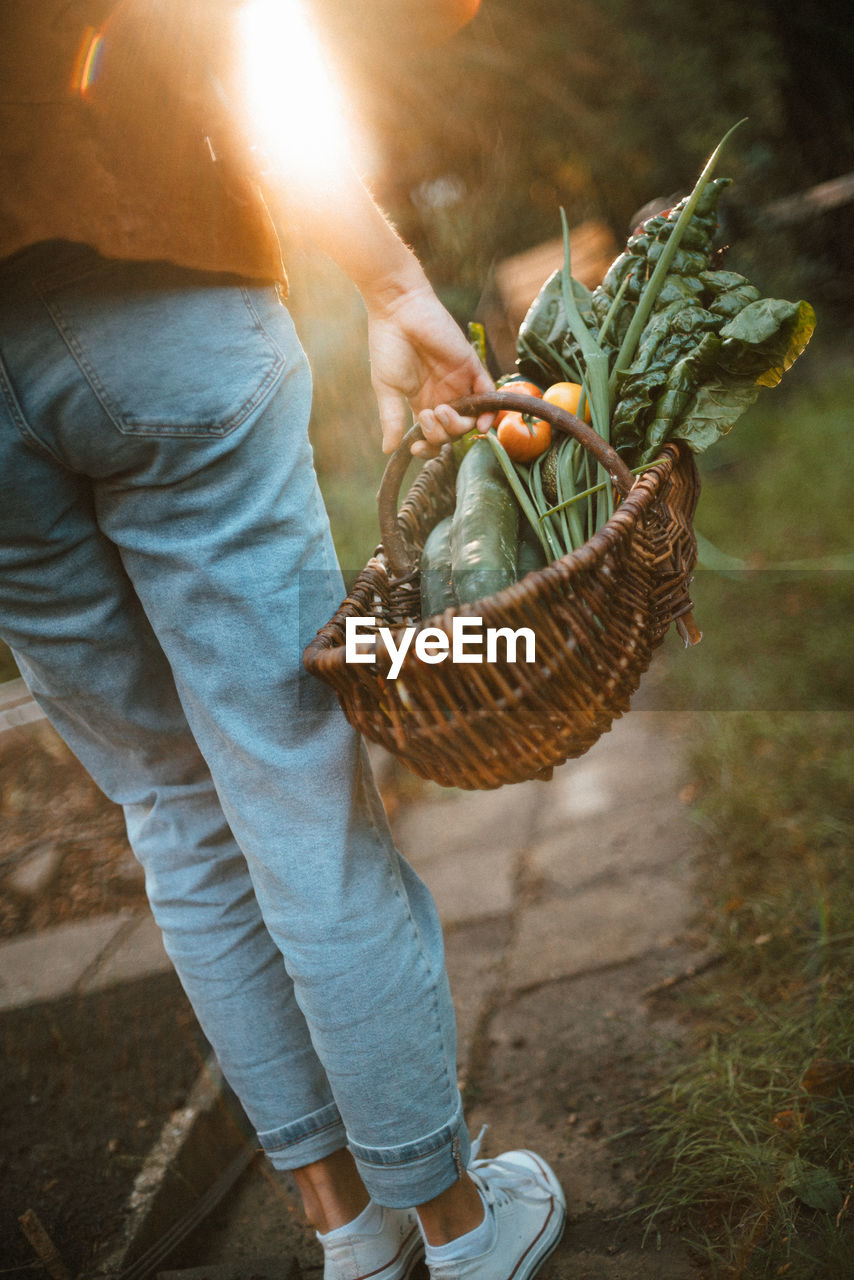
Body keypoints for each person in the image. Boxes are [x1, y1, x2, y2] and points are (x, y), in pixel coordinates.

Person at [0, 3, 566, 1278]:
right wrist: (391, 281)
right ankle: (458, 1228)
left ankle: (346, 1232)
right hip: (154, 285)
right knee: (293, 780)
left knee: (169, 808)